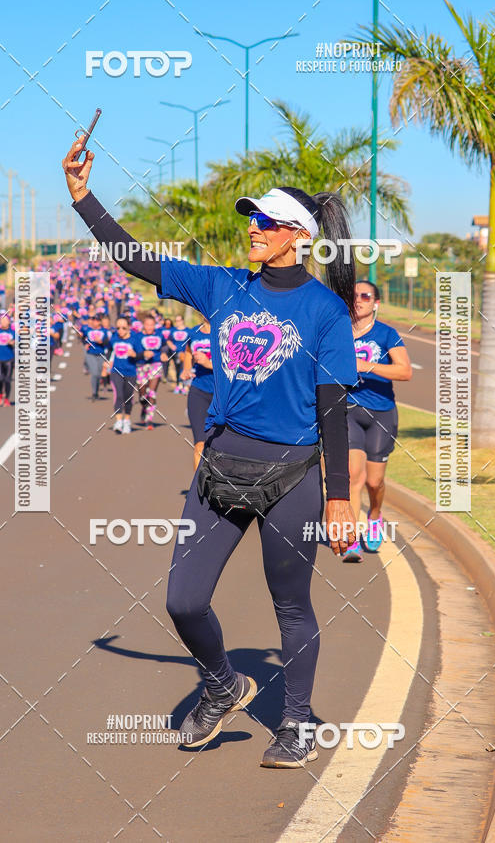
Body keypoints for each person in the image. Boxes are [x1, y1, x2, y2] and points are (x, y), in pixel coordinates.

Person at [64, 138, 358, 769]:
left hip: (292, 478)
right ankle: (224, 682)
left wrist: (339, 501)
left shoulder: (326, 312)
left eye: (267, 222)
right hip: (221, 467)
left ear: (298, 237)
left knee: (292, 605)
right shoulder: (222, 287)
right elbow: (136, 260)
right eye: (252, 219)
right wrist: (83, 196)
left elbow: (333, 410)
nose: (253, 228)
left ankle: (298, 722)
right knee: (182, 601)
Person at [346, 281, 412, 557]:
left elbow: (405, 371)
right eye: (354, 295)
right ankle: (350, 538)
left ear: (376, 303)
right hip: (348, 410)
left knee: (374, 482)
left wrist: (368, 366)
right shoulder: (339, 331)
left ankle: (374, 515)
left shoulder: (386, 334)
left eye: (365, 295)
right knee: (353, 477)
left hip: (381, 414)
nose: (359, 299)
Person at [185, 317, 213, 470]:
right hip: (198, 391)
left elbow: (233, 365)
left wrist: (208, 363)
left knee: (219, 447)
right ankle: (198, 490)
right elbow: (188, 351)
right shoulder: (194, 332)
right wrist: (186, 369)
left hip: (221, 396)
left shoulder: (225, 331)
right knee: (200, 444)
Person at [108, 315, 143, 434]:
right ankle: (118, 420)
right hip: (116, 371)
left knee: (128, 397)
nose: (120, 330)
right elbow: (108, 349)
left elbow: (141, 355)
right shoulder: (114, 338)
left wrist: (135, 355)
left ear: (129, 327)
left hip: (131, 372)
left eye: (123, 328)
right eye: (118, 328)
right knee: (119, 395)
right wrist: (106, 362)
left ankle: (127, 420)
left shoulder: (134, 340)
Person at [136, 314, 164, 429]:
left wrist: (164, 353)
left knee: (152, 392)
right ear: (144, 325)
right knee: (143, 394)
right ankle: (144, 406)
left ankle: (149, 420)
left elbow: (165, 346)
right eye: (147, 325)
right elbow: (136, 352)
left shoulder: (159, 335)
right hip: (142, 366)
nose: (149, 327)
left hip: (155, 365)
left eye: (152, 325)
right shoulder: (138, 336)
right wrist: (144, 354)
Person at [82, 313, 111, 400]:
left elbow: (108, 343)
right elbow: (83, 338)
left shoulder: (104, 331)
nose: (95, 322)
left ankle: (97, 391)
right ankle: (94, 392)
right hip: (91, 354)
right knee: (94, 373)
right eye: (94, 320)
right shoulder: (88, 330)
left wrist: (101, 341)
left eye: (97, 320)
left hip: (101, 354)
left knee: (98, 374)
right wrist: (86, 344)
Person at [0, 312, 15, 406]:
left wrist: (12, 342)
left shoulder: (12, 332)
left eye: (6, 320)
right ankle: (0, 393)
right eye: (2, 320)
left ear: (9, 322)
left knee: (7, 380)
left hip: (9, 358)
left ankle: (7, 399)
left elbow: (17, 341)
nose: (4, 322)